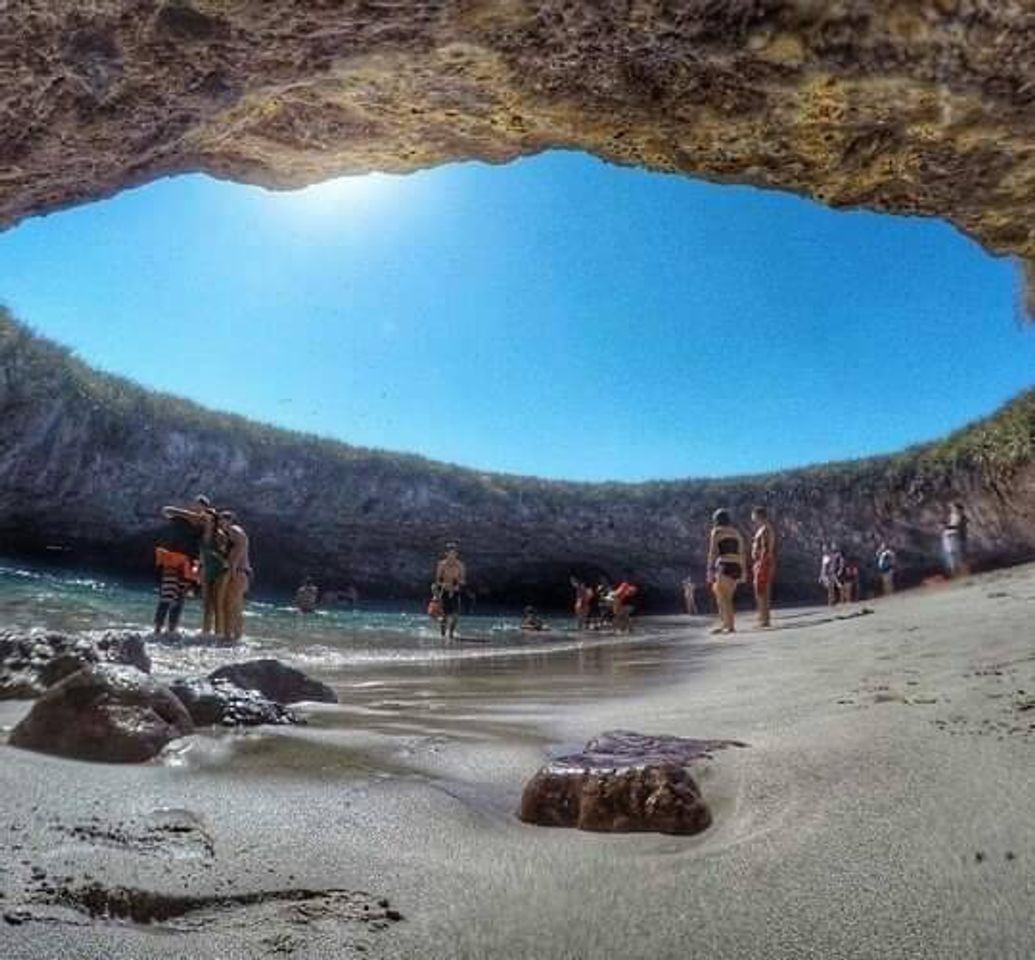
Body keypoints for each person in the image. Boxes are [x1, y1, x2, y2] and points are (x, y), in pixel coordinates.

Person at [153, 495, 209, 635]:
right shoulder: (180, 517)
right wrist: (189, 514)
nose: (195, 507)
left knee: (179, 597)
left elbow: (207, 533)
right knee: (167, 593)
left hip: (188, 563)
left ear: (205, 509)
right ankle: (158, 629)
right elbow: (166, 510)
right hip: (172, 559)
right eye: (194, 504)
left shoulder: (203, 524)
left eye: (199, 506)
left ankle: (172, 629)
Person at [707, 510, 746, 635]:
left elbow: (712, 552)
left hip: (724, 564)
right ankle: (725, 624)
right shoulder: (736, 533)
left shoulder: (717, 531)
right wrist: (743, 571)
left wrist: (710, 570)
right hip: (736, 565)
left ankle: (730, 626)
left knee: (724, 597)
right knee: (721, 594)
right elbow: (742, 553)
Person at [220, 511, 252, 642]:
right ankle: (236, 637)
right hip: (242, 572)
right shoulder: (234, 533)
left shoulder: (234, 530)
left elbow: (240, 546)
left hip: (238, 572)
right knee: (236, 607)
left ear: (229, 520)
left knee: (230, 605)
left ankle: (229, 637)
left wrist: (231, 572)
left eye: (222, 520)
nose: (221, 524)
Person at [750, 506, 777, 628]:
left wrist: (761, 563)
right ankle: (763, 618)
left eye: (753, 515)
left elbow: (766, 548)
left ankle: (765, 620)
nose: (752, 518)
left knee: (762, 590)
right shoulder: (762, 529)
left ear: (758, 515)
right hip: (761, 562)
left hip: (763, 562)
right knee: (760, 590)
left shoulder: (766, 529)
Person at [435, 542, 466, 640]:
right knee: (445, 616)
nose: (452, 555)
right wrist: (443, 584)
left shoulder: (460, 565)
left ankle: (451, 634)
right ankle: (443, 635)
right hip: (444, 591)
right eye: (450, 553)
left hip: (455, 591)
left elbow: (463, 580)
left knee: (456, 615)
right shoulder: (441, 565)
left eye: (454, 553)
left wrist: (458, 584)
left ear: (456, 554)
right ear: (446, 554)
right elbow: (437, 580)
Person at [942, 502, 970, 578]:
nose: (952, 509)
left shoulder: (962, 517)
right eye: (952, 508)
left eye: (954, 508)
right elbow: (950, 524)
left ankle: (963, 572)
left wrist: (946, 526)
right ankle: (954, 573)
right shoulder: (952, 516)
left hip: (957, 537)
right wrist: (946, 525)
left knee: (960, 555)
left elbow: (957, 526)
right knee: (951, 555)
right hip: (949, 537)